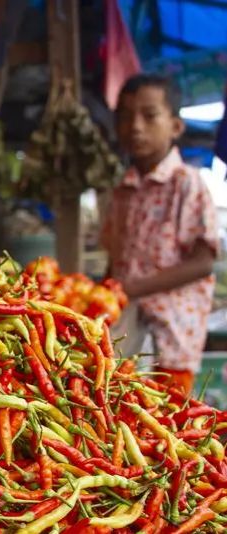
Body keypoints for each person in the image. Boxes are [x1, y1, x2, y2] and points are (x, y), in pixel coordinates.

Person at [102, 73, 219, 395]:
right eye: (125, 117)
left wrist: (131, 288)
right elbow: (115, 261)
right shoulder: (122, 191)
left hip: (173, 334)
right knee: (121, 414)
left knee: (166, 426)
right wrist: (101, 295)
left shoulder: (187, 183)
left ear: (176, 127)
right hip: (126, 329)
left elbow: (203, 262)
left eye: (149, 115)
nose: (135, 126)